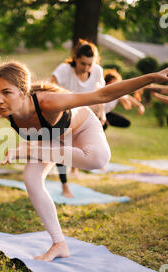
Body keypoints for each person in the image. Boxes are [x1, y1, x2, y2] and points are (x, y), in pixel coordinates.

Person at [0, 54, 168, 262]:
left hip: (81, 128)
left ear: (23, 92)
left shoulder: (48, 102)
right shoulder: (2, 102)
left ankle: (30, 149)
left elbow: (102, 94)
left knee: (98, 161)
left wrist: (151, 78)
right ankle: (59, 244)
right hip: (51, 140)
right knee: (31, 179)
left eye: (6, 92)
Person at [50, 39, 106, 197]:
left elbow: (100, 92)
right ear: (75, 58)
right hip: (65, 115)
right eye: (83, 63)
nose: (86, 68)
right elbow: (50, 87)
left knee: (100, 130)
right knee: (62, 149)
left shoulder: (97, 71)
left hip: (85, 117)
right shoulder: (64, 69)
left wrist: (102, 112)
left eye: (90, 64)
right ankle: (65, 186)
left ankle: (75, 166)